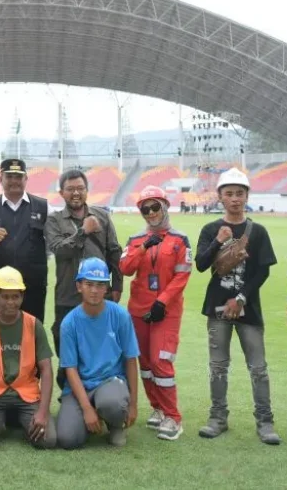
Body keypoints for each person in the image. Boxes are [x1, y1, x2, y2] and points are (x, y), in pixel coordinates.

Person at [194, 168, 280, 444]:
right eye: (229, 193)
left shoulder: (258, 231)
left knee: (258, 368)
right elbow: (201, 265)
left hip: (248, 310)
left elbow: (262, 272)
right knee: (218, 366)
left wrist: (240, 297)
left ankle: (265, 422)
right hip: (217, 309)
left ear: (247, 196)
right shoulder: (210, 229)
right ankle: (218, 418)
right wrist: (218, 240)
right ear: (219, 197)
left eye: (239, 193)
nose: (234, 199)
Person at [119, 186, 191, 442]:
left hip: (166, 311)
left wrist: (162, 302)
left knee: (161, 361)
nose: (150, 213)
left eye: (154, 207)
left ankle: (174, 418)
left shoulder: (180, 240)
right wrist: (142, 248)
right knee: (146, 364)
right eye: (144, 208)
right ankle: (158, 409)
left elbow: (182, 275)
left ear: (165, 205)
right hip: (138, 310)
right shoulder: (135, 239)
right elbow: (125, 269)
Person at [44, 168, 123, 390]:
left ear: (87, 190)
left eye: (80, 188)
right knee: (66, 347)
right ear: (61, 192)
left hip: (100, 294)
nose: (76, 193)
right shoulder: (54, 220)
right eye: (70, 189)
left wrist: (116, 285)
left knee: (99, 346)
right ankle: (70, 394)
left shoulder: (102, 216)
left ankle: (99, 394)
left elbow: (114, 252)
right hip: (67, 295)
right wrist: (83, 232)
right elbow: (59, 251)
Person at [0, 266, 56, 451]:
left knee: (47, 440)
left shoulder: (34, 325)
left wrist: (42, 412)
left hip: (27, 393)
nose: (10, 302)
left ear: (22, 297)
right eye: (5, 297)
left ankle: (17, 418)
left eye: (15, 296)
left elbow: (47, 370)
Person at [56, 258, 140, 449]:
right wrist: (86, 409)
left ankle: (115, 423)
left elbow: (131, 359)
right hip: (80, 386)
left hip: (110, 382)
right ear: (79, 286)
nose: (94, 290)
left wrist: (133, 405)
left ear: (106, 288)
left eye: (100, 285)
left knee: (112, 403)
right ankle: (91, 416)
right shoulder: (69, 323)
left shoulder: (120, 315)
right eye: (89, 284)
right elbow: (71, 369)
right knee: (67, 439)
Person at [0, 158, 49, 321]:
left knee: (32, 333)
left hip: (33, 287)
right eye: (9, 176)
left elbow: (56, 237)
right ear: (1, 179)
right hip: (0, 289)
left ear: (26, 179)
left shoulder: (43, 207)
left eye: (18, 176)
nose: (14, 181)